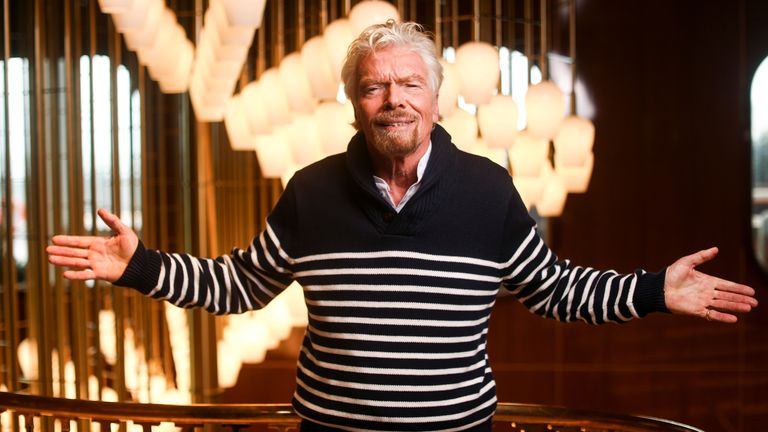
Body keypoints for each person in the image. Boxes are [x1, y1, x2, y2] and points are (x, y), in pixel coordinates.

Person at [47, 21, 757, 432]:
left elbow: (554, 290)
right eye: (374, 86)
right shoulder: (311, 190)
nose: (394, 100)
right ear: (355, 103)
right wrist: (138, 265)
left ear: (437, 98)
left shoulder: (488, 189)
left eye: (409, 83)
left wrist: (654, 290)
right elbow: (240, 285)